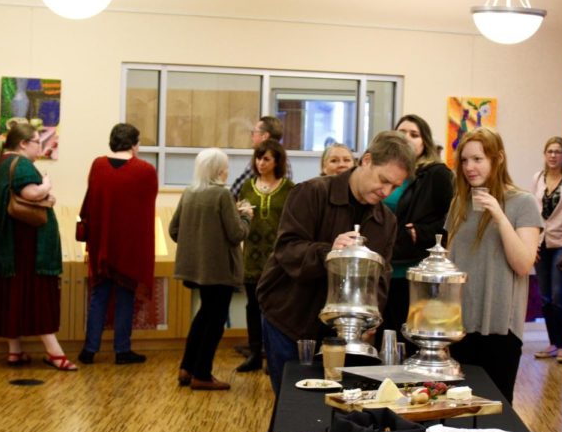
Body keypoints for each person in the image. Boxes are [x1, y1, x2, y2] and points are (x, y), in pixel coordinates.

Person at [257, 131, 416, 394]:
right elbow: (287, 249)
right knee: (293, 403)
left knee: (336, 404)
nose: (386, 191)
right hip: (289, 318)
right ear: (366, 160)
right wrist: (329, 251)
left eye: (395, 187)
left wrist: (373, 316)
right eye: (383, 180)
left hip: (343, 335)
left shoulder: (386, 221)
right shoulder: (311, 193)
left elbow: (381, 275)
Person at [445, 127, 542, 403]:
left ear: (497, 159)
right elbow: (449, 261)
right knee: (458, 407)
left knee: (496, 409)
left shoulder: (523, 202)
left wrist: (499, 216)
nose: (469, 167)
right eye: (464, 160)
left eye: (477, 159)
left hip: (500, 326)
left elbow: (523, 264)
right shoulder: (458, 204)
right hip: (459, 324)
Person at [0, 122, 77, 371]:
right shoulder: (20, 165)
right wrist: (46, 187)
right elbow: (30, 194)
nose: (40, 147)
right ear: (22, 144)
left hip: (7, 249)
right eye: (37, 142)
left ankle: (15, 351)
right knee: (36, 295)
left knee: (12, 295)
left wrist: (45, 196)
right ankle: (54, 352)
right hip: (26, 248)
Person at [170, 148, 253, 390]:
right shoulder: (222, 195)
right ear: (219, 170)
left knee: (203, 315)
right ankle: (202, 374)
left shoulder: (190, 192)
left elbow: (174, 230)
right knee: (215, 322)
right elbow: (236, 233)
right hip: (219, 270)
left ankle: (186, 367)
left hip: (195, 268)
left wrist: (196, 244)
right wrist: (246, 217)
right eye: (226, 166)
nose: (228, 170)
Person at [77, 123, 158, 365]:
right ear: (134, 144)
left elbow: (91, 201)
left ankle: (89, 350)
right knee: (125, 296)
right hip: (129, 246)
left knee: (99, 295)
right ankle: (122, 350)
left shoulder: (98, 165)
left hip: (102, 242)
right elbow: (146, 207)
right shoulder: (145, 170)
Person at [379, 114, 454, 345]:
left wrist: (421, 232)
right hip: (383, 267)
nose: (407, 138)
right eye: (402, 132)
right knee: (384, 338)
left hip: (413, 271)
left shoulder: (436, 173)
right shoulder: (384, 171)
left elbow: (452, 217)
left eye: (414, 134)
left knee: (409, 339)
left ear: (425, 142)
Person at [234, 140, 295, 373]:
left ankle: (274, 356)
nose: (261, 163)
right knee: (253, 307)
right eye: (258, 158)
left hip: (278, 259)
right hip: (251, 257)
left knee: (276, 309)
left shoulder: (289, 188)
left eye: (266, 159)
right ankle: (254, 354)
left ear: (277, 161)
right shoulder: (247, 187)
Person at [531, 137, 562, 364]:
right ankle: (552, 342)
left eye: (558, 151)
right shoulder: (538, 178)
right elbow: (533, 213)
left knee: (559, 295)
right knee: (545, 297)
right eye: (549, 151)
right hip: (541, 242)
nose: (553, 155)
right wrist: (531, 243)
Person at [230, 116, 292, 196]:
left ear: (265, 136)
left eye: (254, 132)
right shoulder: (284, 159)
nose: (252, 136)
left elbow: (237, 191)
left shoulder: (261, 159)